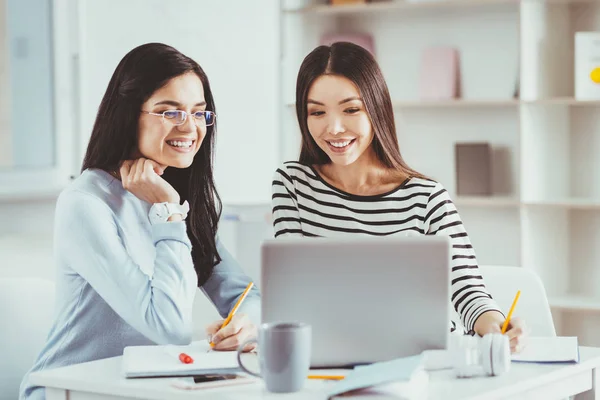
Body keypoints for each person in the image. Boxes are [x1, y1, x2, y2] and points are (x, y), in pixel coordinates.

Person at [20, 43, 259, 400]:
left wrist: (247, 326)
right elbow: (169, 328)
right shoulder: (85, 204)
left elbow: (246, 295)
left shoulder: (177, 197)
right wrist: (167, 211)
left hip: (141, 390)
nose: (190, 127)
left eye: (198, 113)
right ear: (129, 114)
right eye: (170, 112)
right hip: (69, 392)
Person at [271, 42, 527, 351]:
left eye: (351, 109)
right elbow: (293, 291)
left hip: (423, 357)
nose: (334, 128)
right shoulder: (292, 184)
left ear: (376, 107)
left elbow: (467, 289)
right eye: (317, 112)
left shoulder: (427, 198)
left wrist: (497, 326)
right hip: (331, 354)